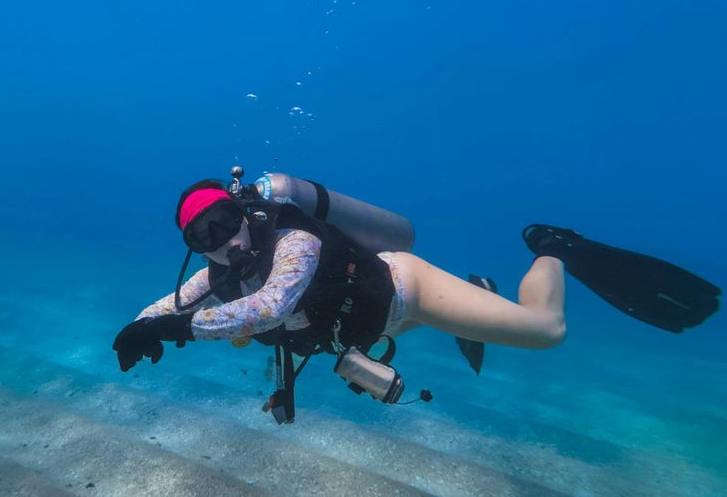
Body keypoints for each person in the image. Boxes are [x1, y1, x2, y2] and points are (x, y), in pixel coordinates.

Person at [113, 174, 720, 418]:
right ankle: (477, 294)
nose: (222, 242)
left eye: (225, 222)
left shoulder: (294, 239)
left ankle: (553, 249)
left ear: (244, 214)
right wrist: (138, 326)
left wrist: (181, 329)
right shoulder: (217, 274)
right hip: (366, 324)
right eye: (202, 238)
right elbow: (173, 303)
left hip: (408, 291)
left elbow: (270, 307)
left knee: (546, 331)